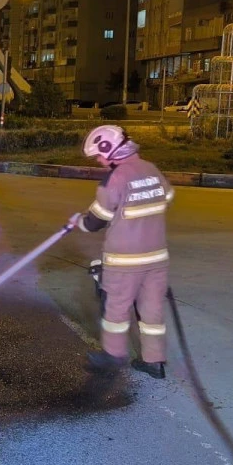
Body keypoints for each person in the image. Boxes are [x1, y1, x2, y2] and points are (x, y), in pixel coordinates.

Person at [69, 124, 174, 379]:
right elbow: (167, 197)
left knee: (116, 309)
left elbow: (95, 221)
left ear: (111, 151)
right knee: (151, 312)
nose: (99, 161)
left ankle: (113, 356)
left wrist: (77, 221)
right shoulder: (151, 169)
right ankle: (154, 361)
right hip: (156, 259)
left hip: (124, 262)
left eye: (99, 156)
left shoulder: (113, 179)